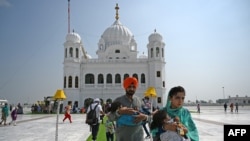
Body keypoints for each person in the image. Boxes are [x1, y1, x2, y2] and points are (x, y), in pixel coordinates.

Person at [107, 77, 149, 141]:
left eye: (134, 87)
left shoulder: (139, 100)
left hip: (138, 137)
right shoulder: (118, 101)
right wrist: (119, 112)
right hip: (123, 137)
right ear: (125, 87)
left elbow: (148, 116)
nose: (131, 89)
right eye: (129, 86)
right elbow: (110, 117)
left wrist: (145, 117)